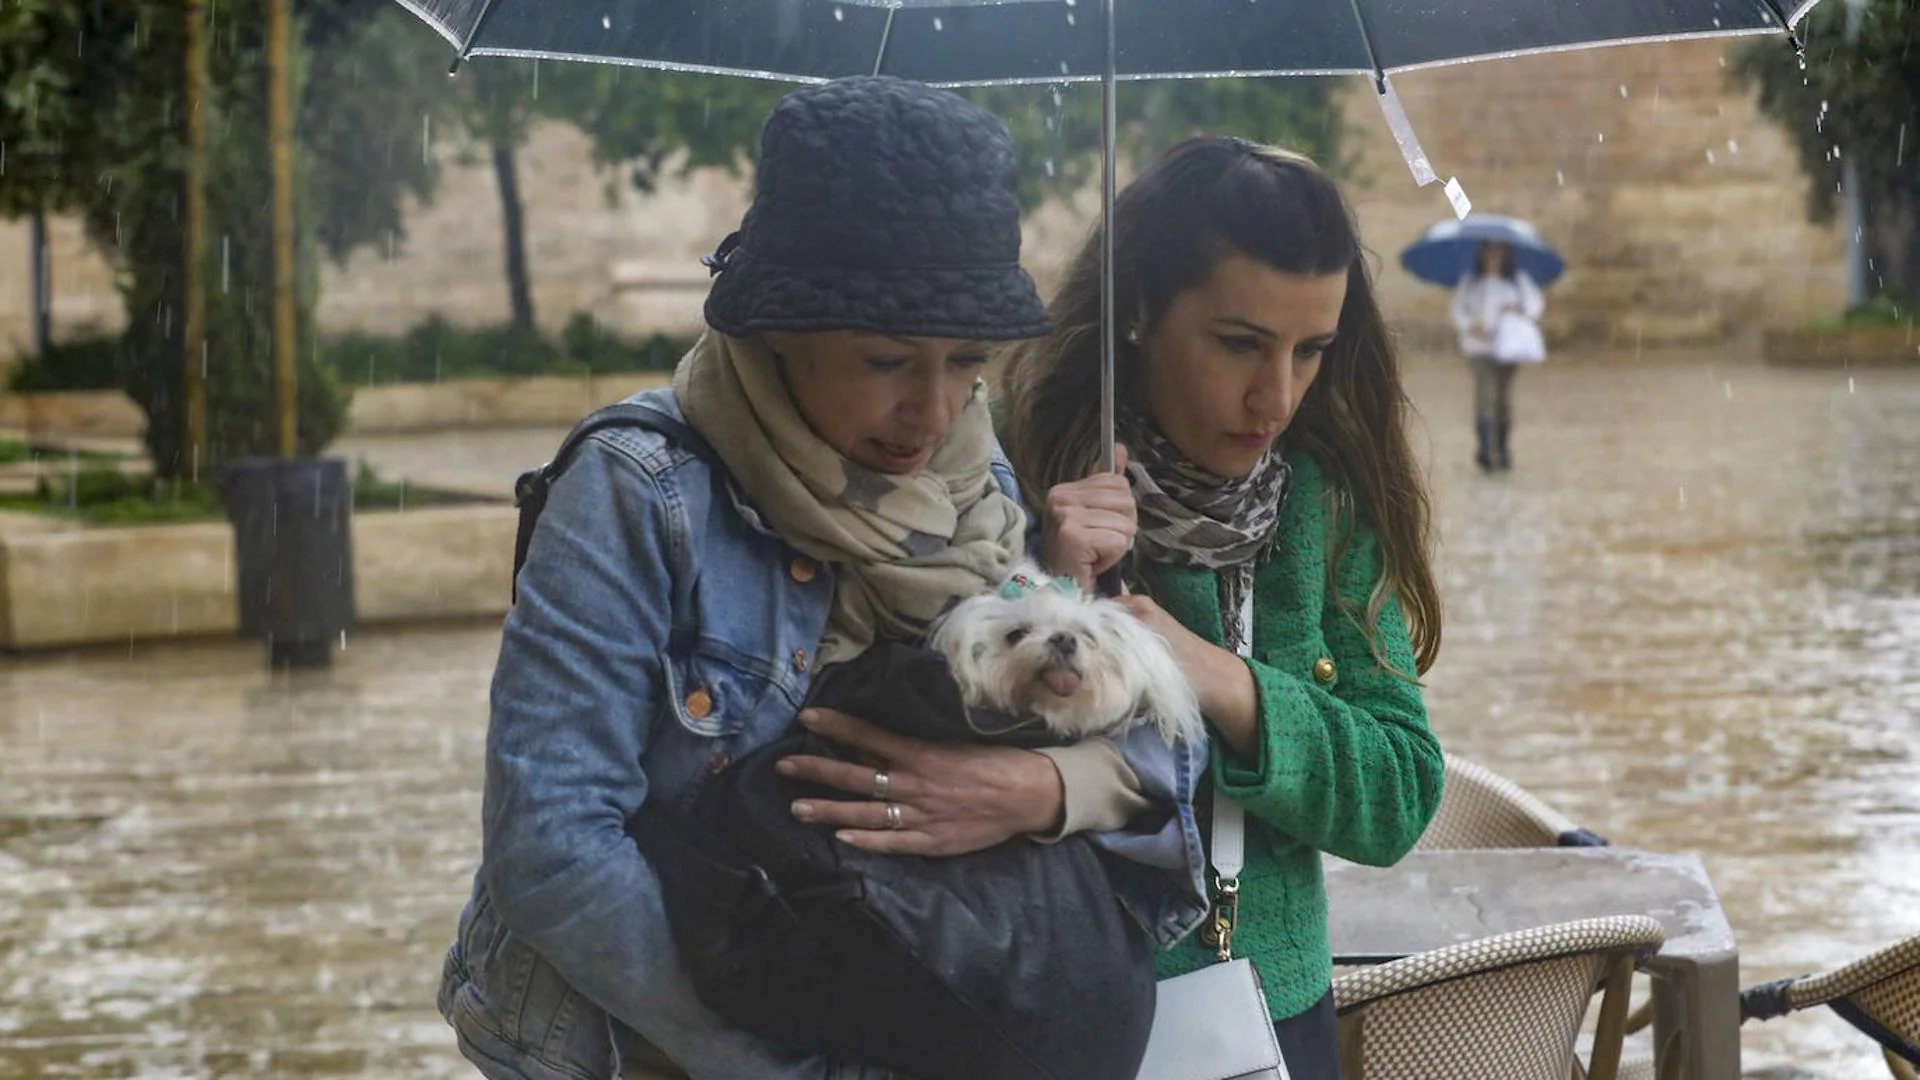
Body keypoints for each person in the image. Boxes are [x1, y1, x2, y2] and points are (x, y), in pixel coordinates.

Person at [435, 77, 1206, 1080]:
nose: (929, 413)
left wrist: (1040, 778)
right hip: (661, 1046)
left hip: (912, 1009)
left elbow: (1159, 764)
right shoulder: (637, 492)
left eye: (965, 360)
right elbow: (550, 847)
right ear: (782, 328)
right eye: (886, 361)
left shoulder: (976, 483)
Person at [999, 136, 1446, 1077]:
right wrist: (1044, 594)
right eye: (1240, 344)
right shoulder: (1014, 475)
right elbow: (946, 783)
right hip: (1058, 1016)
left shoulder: (1327, 505)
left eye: (1311, 351)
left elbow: (1400, 794)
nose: (1274, 396)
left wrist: (1224, 682)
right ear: (1139, 313)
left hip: (1275, 1020)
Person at [1450, 239, 1545, 472]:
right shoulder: (1471, 282)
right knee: (1486, 393)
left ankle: (1501, 446)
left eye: (1497, 251)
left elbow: (1534, 305)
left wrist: (1517, 309)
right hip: (1479, 348)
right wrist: (1473, 325)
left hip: (1508, 349)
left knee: (1503, 397)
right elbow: (1458, 311)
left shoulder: (1517, 281)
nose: (1493, 257)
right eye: (1488, 251)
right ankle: (1484, 447)